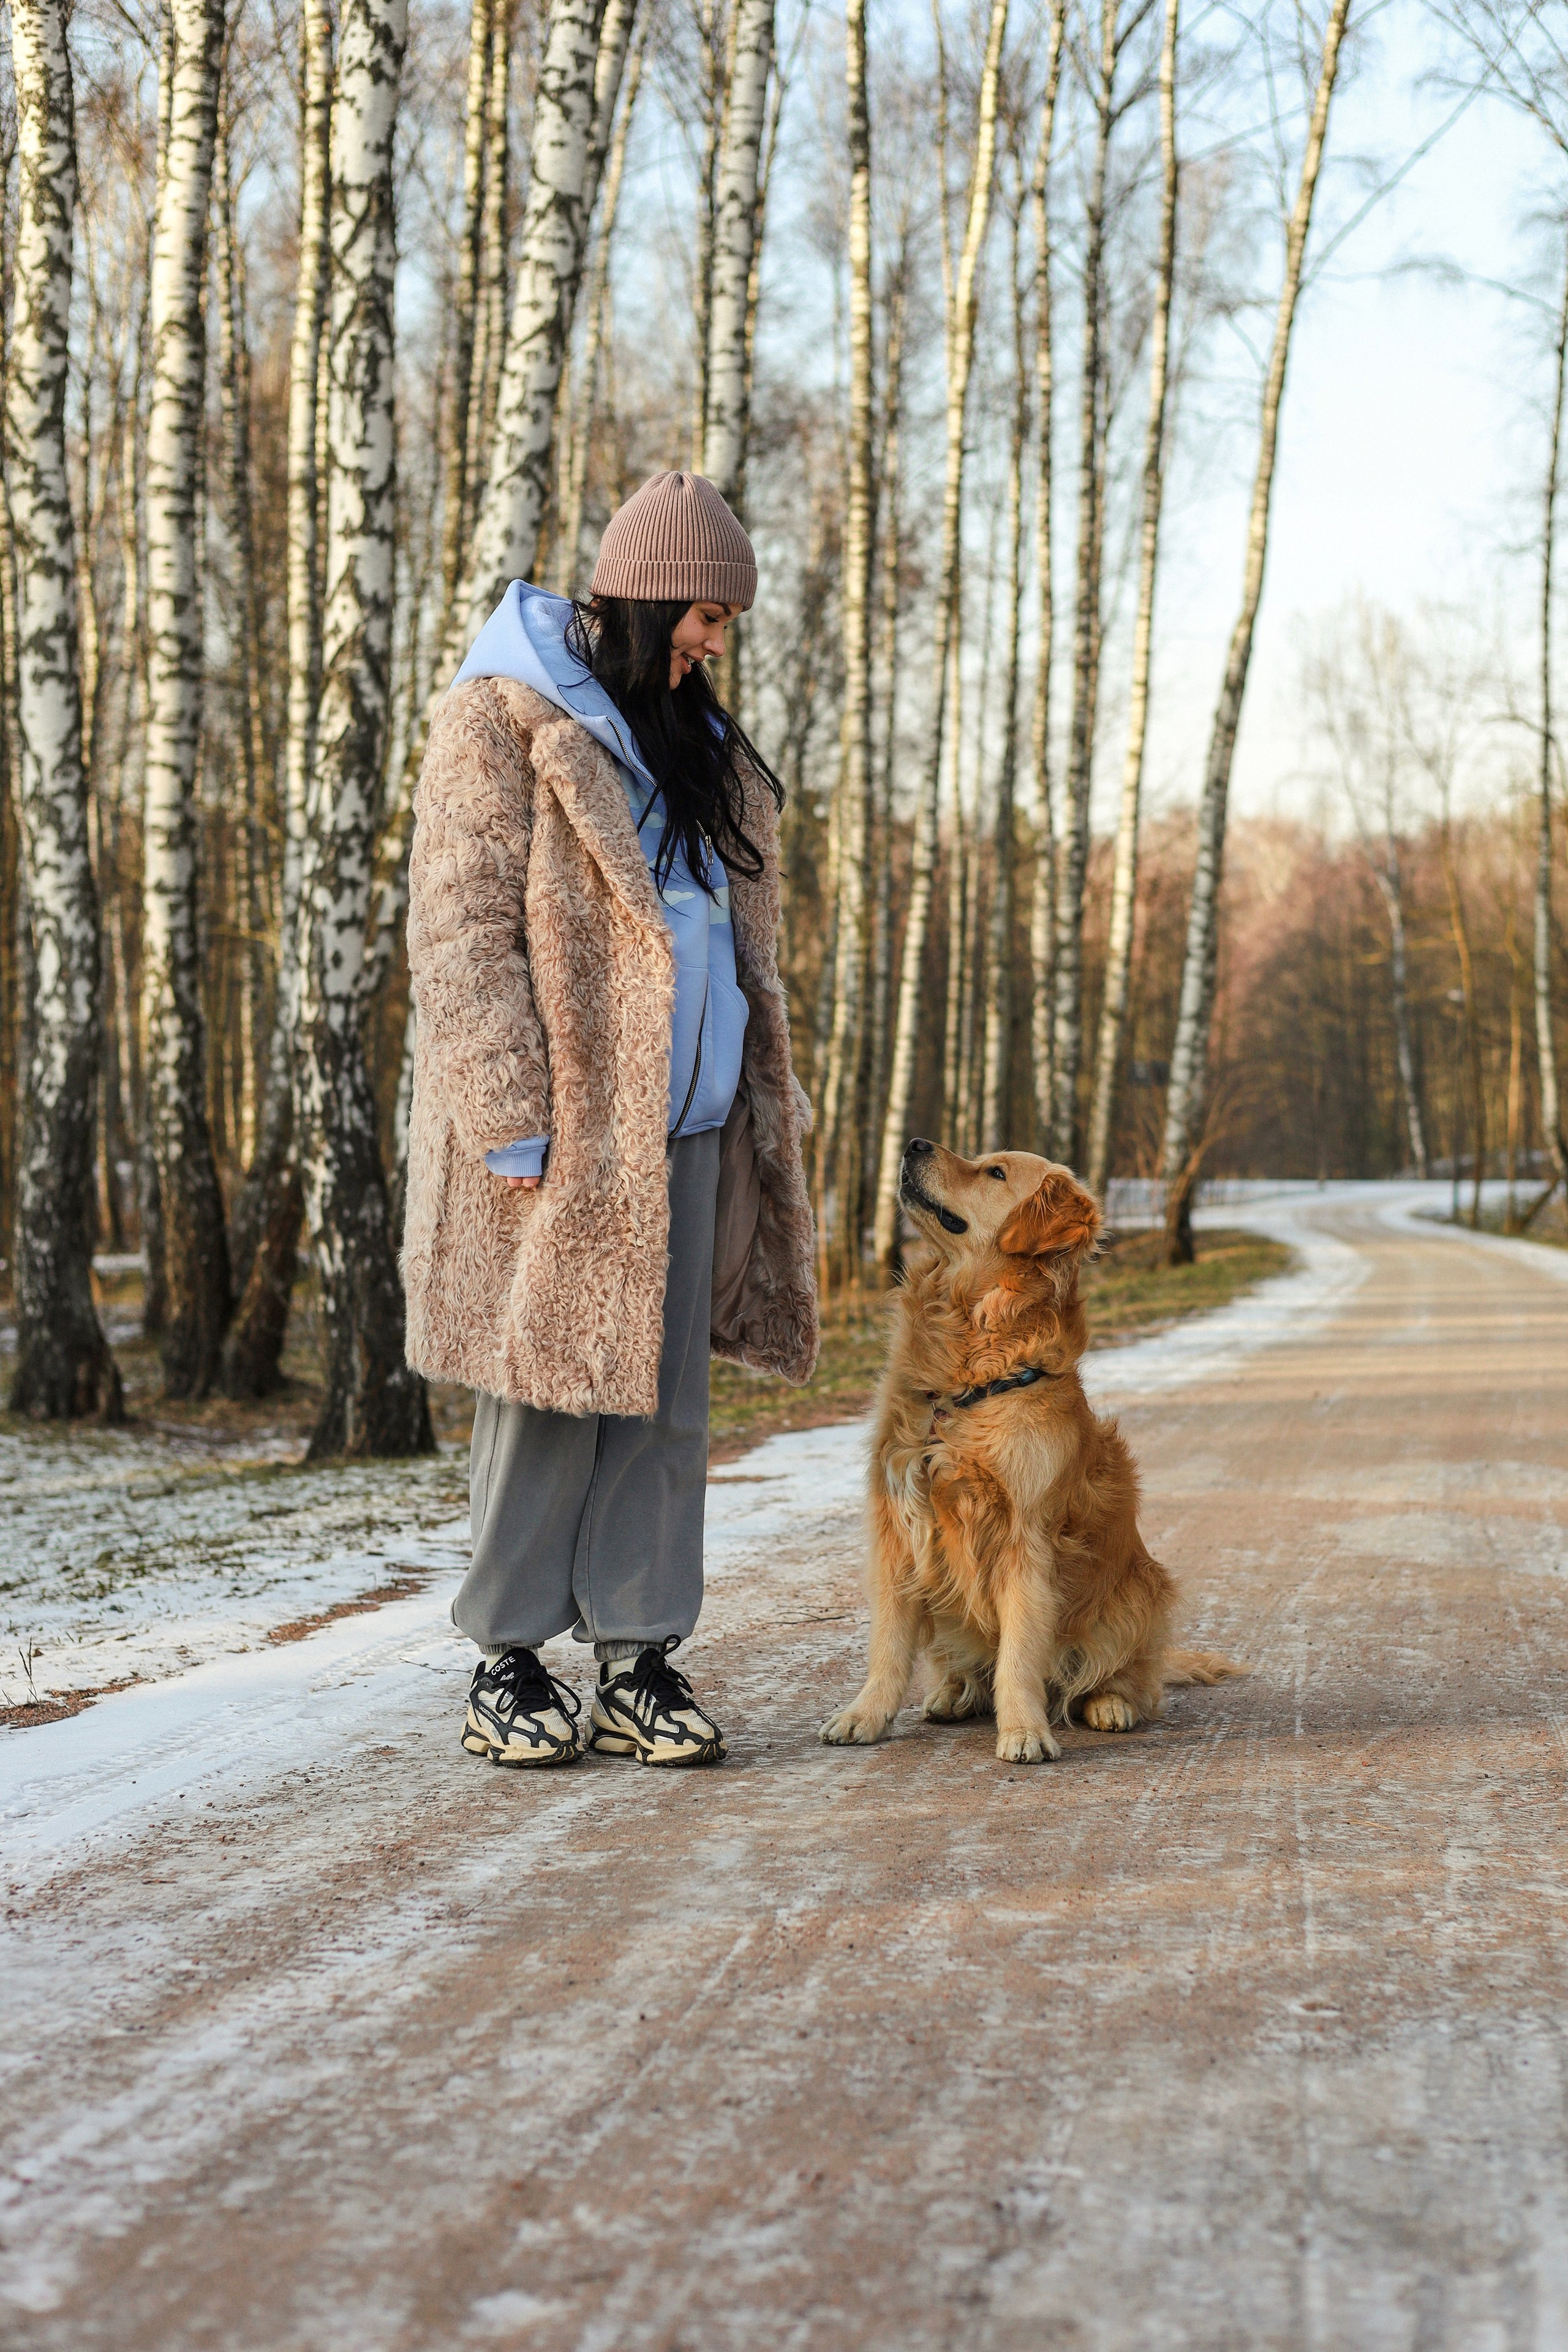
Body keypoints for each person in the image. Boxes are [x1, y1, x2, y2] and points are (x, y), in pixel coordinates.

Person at [402, 471, 818, 1771]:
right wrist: (510, 1120)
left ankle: (641, 1653)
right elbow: (460, 935)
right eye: (703, 614)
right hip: (565, 1133)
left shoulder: (691, 742)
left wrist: (756, 1094)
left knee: (663, 1400)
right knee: (547, 1391)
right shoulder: (502, 719)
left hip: (686, 1126)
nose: (713, 642)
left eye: (724, 623)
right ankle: (509, 1659)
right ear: (643, 601)